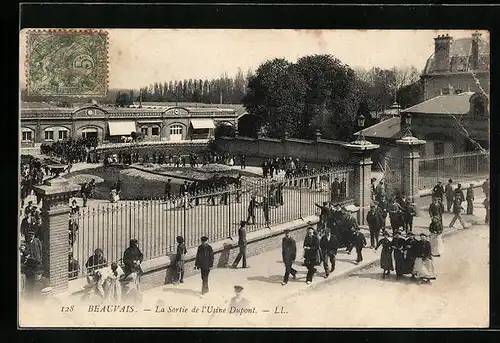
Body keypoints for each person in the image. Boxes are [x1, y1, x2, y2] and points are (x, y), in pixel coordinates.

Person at [23, 230, 43, 300]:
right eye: (30, 235)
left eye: (33, 235)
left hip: (37, 262)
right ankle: (31, 295)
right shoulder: (27, 243)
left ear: (34, 235)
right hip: (31, 263)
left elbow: (41, 249)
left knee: (37, 278)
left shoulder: (37, 241)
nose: (31, 236)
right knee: (31, 279)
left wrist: (40, 258)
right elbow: (26, 252)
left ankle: (37, 292)